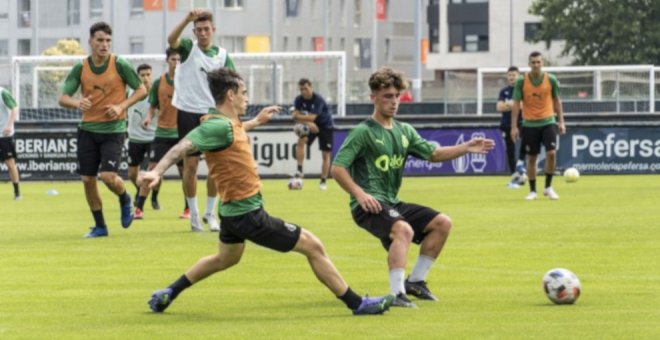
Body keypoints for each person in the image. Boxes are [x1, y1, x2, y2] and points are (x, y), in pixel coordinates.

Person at [140, 68, 393, 316]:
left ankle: (169, 292)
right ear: (230, 95)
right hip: (248, 214)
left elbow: (232, 132)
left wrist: (256, 121)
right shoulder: (216, 126)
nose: (246, 97)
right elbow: (182, 146)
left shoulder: (227, 123)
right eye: (244, 92)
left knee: (224, 259)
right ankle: (357, 303)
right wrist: (157, 171)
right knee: (313, 245)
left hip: (230, 213)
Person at [331, 67, 495, 308]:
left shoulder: (404, 131)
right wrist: (360, 194)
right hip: (367, 204)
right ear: (373, 98)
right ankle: (397, 294)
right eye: (387, 96)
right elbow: (337, 168)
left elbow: (434, 154)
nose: (394, 101)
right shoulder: (362, 132)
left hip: (391, 202)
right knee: (403, 230)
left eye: (397, 96)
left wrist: (466, 147)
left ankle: (416, 282)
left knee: (442, 223)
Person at [58, 22, 147, 238]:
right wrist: (77, 103)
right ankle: (100, 226)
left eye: (108, 41)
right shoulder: (81, 67)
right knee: (88, 179)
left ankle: (125, 197)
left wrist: (121, 106)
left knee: (108, 177)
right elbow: (62, 98)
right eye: (100, 40)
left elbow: (142, 90)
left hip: (113, 131)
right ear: (90, 42)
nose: (104, 45)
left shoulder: (120, 64)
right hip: (87, 130)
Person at [168, 8, 235, 232]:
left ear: (213, 30)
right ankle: (194, 215)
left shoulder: (223, 56)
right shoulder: (188, 48)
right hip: (188, 112)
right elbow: (171, 39)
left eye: (206, 29)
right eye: (199, 30)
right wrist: (186, 19)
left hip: (213, 115)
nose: (203, 33)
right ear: (194, 32)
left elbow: (234, 85)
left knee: (216, 166)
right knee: (191, 166)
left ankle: (210, 213)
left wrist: (235, 114)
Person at [137, 49, 189, 222]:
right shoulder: (159, 82)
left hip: (182, 135)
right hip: (162, 134)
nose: (176, 62)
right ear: (167, 61)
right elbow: (152, 105)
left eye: (179, 59)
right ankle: (139, 208)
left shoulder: (187, 82)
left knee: (185, 172)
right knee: (152, 170)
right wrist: (148, 117)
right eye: (173, 59)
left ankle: (188, 208)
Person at [511, 51, 565, 201]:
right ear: (529, 64)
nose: (536, 65)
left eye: (538, 62)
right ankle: (533, 191)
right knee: (532, 158)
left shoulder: (551, 79)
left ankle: (548, 187)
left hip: (548, 121)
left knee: (552, 153)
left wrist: (561, 121)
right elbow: (516, 104)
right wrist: (514, 126)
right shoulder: (521, 81)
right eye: (533, 62)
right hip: (529, 124)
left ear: (542, 63)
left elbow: (557, 101)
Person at [291, 78, 334, 190]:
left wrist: (303, 119)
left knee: (325, 154)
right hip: (311, 125)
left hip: (325, 126)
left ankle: (323, 181)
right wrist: (308, 122)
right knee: (301, 140)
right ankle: (299, 169)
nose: (303, 91)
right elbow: (294, 116)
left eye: (305, 88)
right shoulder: (299, 100)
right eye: (301, 89)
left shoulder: (318, 99)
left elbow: (311, 117)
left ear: (311, 87)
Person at [126, 63, 156, 216]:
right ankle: (140, 190)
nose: (145, 78)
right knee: (132, 174)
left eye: (148, 75)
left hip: (152, 138)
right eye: (142, 75)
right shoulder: (132, 93)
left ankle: (143, 204)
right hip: (135, 139)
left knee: (149, 173)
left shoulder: (156, 93)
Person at [496, 66, 526, 188]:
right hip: (506, 125)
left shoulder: (523, 90)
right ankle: (515, 178)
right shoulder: (504, 91)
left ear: (518, 76)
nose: (511, 77)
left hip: (522, 123)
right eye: (509, 75)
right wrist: (515, 105)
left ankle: (523, 171)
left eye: (513, 75)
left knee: (525, 148)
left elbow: (524, 106)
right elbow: (499, 107)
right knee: (510, 151)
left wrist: (509, 104)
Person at [0, 86, 20, 200]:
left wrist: (9, 125)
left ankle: (17, 193)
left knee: (10, 164)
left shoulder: (3, 93)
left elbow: (15, 108)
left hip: (5, 134)